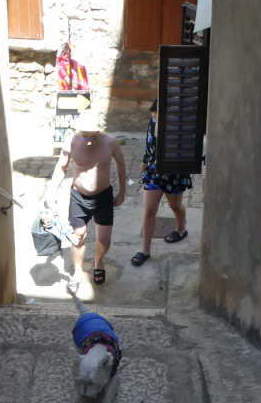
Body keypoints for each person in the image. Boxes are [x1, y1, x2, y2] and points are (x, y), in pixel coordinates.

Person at [46, 109, 127, 286]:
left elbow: (121, 165)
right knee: (78, 236)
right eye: (85, 137)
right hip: (79, 197)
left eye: (93, 137)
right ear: (79, 132)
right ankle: (77, 271)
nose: (89, 142)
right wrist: (51, 192)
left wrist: (122, 192)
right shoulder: (71, 141)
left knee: (104, 240)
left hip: (103, 196)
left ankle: (99, 261)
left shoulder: (111, 143)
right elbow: (61, 168)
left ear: (100, 132)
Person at [129, 99, 191, 267]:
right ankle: (145, 251)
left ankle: (181, 230)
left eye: (158, 116)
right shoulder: (153, 119)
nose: (155, 118)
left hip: (173, 171)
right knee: (149, 210)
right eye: (154, 115)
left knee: (175, 206)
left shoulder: (179, 125)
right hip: (153, 171)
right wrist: (144, 161)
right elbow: (150, 144)